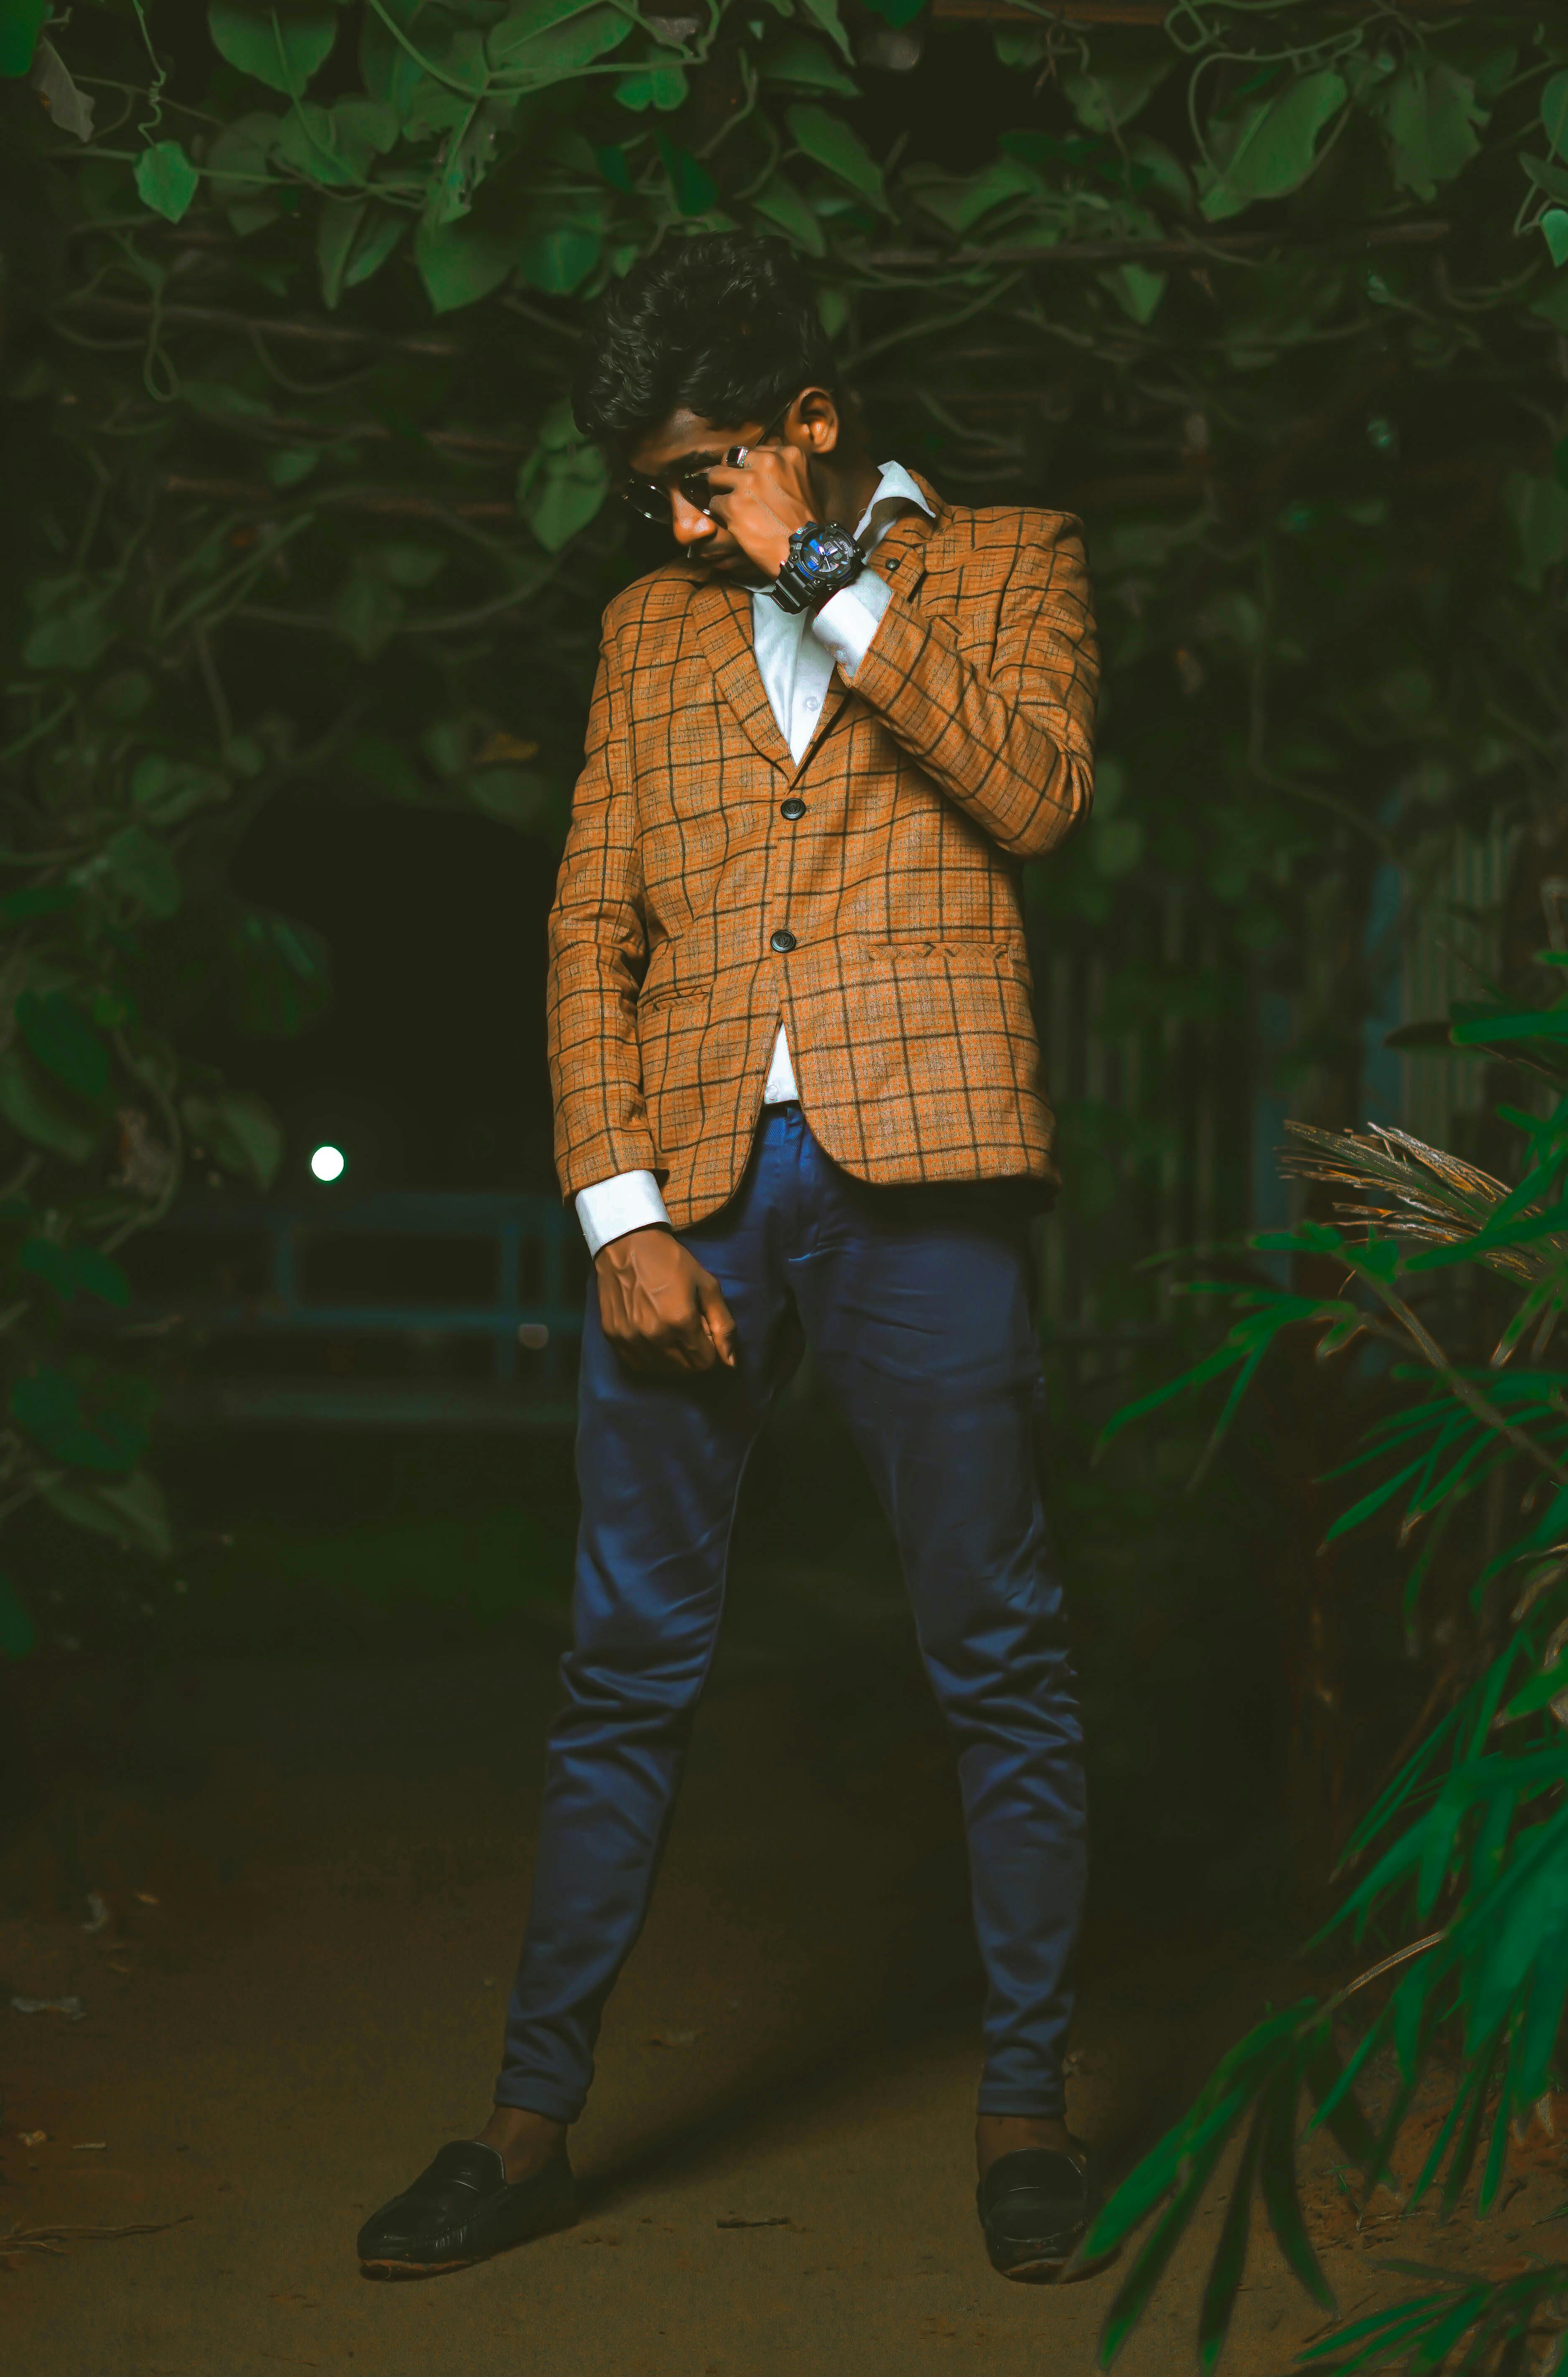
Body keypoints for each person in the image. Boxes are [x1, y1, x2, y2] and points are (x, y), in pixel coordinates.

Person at [358, 234, 1099, 2286]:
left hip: (926, 1175)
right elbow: (587, 921)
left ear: (806, 427)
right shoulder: (641, 633)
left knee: (997, 1651)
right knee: (621, 1668)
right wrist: (617, 1210)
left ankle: (1023, 2114)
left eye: (701, 482)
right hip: (687, 1199)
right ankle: (524, 2129)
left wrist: (818, 576)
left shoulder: (1010, 562)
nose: (678, 527)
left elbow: (1036, 794)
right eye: (655, 499)